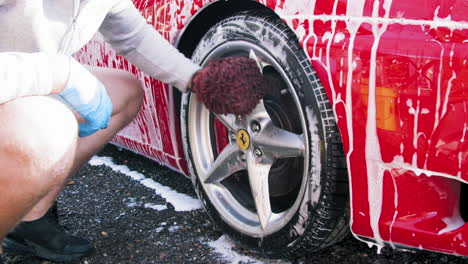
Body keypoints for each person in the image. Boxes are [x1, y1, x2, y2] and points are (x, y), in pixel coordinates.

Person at [0, 0, 266, 262]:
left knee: (124, 93)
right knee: (46, 128)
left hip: (30, 81)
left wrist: (197, 80)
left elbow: (134, 37)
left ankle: (27, 220)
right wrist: (60, 74)